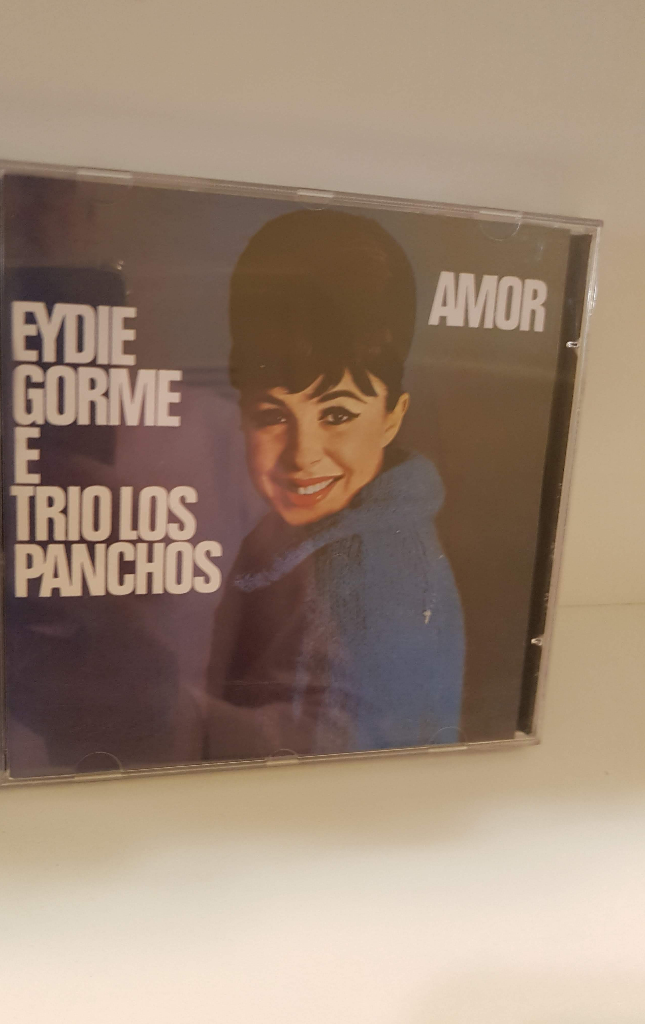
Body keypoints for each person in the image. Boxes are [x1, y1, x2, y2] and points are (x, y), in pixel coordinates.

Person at [204, 209, 465, 759]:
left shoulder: (369, 567)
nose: (303, 454)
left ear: (392, 417)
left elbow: (340, 741)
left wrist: (167, 706)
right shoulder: (311, 534)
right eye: (272, 416)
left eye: (338, 414)